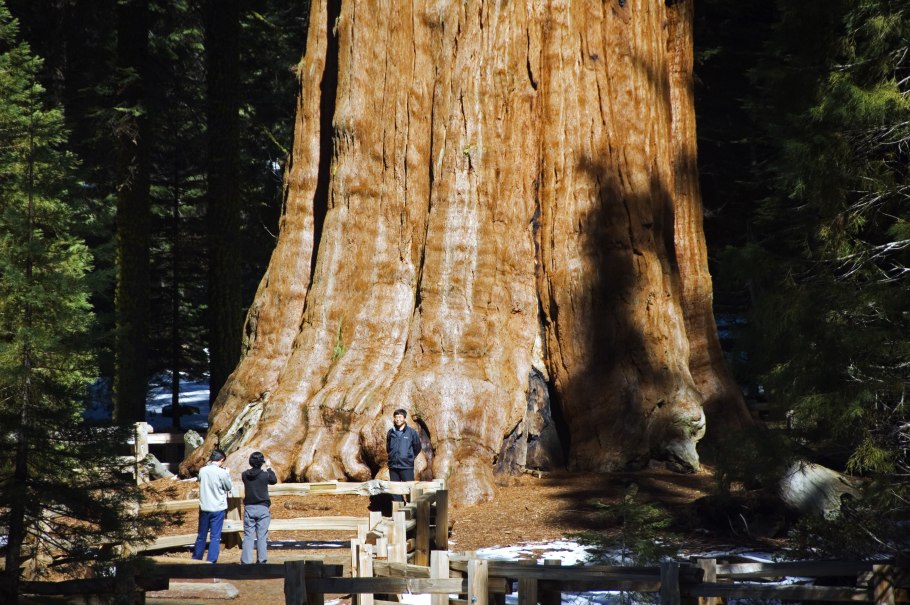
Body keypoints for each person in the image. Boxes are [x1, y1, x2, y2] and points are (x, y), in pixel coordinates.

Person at [192, 448, 233, 563]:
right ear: (221, 460)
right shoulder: (222, 472)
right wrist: (227, 474)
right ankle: (211, 560)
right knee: (215, 536)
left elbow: (200, 480)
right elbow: (228, 487)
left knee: (201, 535)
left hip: (204, 507)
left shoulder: (202, 470)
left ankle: (196, 558)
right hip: (218, 508)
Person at [240, 451, 277, 565]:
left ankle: (246, 561)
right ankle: (262, 561)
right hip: (262, 508)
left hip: (249, 508)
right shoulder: (265, 475)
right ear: (261, 462)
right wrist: (269, 467)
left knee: (248, 536)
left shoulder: (244, 475)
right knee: (262, 536)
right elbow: (273, 480)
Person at [386, 408, 421, 502]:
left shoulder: (411, 432)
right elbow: (388, 448)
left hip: (406, 466)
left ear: (405, 419)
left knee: (410, 490)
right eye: (396, 417)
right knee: (394, 491)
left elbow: (417, 447)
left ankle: (412, 512)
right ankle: (400, 512)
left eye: (400, 417)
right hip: (393, 466)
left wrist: (409, 456)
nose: (398, 419)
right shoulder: (390, 432)